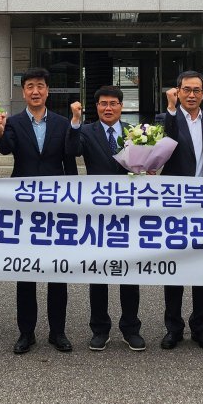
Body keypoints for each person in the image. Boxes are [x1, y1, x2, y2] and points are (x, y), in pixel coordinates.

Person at [0, 67, 77, 354]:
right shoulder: (15, 123)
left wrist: (74, 199)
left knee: (58, 270)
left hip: (57, 207)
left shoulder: (62, 123)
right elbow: (6, 150)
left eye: (40, 86)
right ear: (23, 92)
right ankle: (26, 333)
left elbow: (69, 162)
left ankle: (58, 332)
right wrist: (0, 130)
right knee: (25, 270)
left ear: (47, 91)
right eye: (30, 86)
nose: (35, 91)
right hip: (24, 206)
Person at [67, 86, 145, 351]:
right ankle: (99, 329)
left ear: (121, 106)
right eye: (102, 104)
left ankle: (131, 328)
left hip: (129, 212)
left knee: (129, 271)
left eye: (113, 103)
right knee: (98, 271)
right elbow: (72, 150)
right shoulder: (86, 131)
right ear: (96, 107)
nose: (108, 108)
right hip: (98, 211)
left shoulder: (136, 133)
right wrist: (75, 123)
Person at [158, 70, 203, 350]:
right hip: (175, 204)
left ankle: (201, 326)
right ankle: (173, 327)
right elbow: (164, 145)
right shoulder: (166, 118)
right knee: (174, 267)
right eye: (186, 89)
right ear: (177, 91)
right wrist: (172, 110)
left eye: (196, 90)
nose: (191, 95)